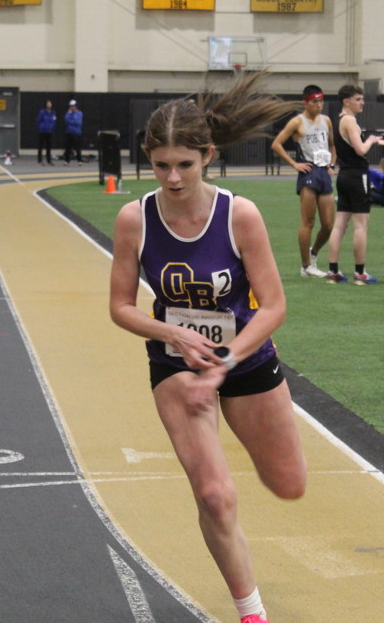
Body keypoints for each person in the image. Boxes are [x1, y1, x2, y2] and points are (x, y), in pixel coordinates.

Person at [109, 72, 306, 623]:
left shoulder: (239, 215)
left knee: (289, 485)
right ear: (148, 160)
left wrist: (226, 363)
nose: (172, 178)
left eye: (184, 165)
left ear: (208, 157)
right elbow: (121, 306)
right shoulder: (135, 219)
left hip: (244, 359)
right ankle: (251, 612)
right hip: (177, 365)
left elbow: (274, 306)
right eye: (161, 165)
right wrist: (171, 333)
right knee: (216, 495)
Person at [325, 84, 384, 285]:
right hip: (357, 176)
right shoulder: (349, 121)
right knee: (360, 226)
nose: (362, 102)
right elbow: (361, 150)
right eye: (358, 99)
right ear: (346, 101)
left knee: (339, 225)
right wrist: (371, 140)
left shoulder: (338, 120)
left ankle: (333, 271)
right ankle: (360, 273)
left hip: (344, 175)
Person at [270, 84, 336, 278]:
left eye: (321, 101)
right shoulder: (297, 122)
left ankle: (313, 252)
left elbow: (332, 145)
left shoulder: (326, 121)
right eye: (315, 102)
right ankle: (306, 266)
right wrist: (294, 164)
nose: (319, 105)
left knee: (328, 225)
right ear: (306, 103)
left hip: (323, 171)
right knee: (308, 221)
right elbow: (276, 144)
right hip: (308, 171)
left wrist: (332, 164)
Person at [63, 99, 83, 165]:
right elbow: (66, 119)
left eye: (73, 106)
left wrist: (70, 121)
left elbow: (78, 122)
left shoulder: (79, 113)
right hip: (69, 132)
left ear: (76, 106)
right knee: (68, 147)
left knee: (77, 147)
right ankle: (67, 160)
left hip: (76, 133)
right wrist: (69, 115)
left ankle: (79, 160)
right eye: (71, 106)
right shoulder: (68, 113)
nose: (72, 107)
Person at [36, 100, 56, 165]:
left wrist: (52, 127)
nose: (49, 105)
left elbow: (54, 121)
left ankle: (49, 160)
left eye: (50, 103)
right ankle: (40, 160)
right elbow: (38, 121)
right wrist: (41, 127)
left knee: (49, 147)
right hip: (42, 131)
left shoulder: (53, 112)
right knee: (41, 146)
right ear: (46, 104)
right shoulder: (42, 112)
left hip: (49, 131)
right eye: (48, 103)